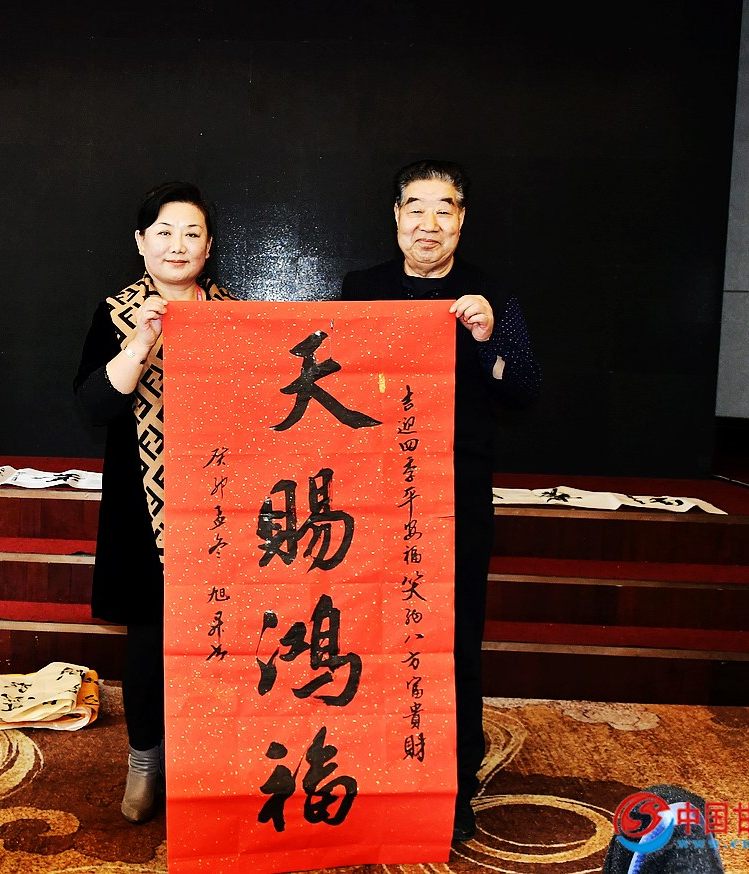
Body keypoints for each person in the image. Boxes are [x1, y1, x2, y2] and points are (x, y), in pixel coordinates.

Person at [340, 159, 540, 843]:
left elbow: (523, 389)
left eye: (444, 209)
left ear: (462, 220)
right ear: (396, 217)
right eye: (416, 208)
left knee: (453, 638)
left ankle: (451, 781)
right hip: (375, 495)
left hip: (457, 494)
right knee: (372, 629)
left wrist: (488, 341)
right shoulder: (361, 289)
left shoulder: (490, 294)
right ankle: (373, 764)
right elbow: (335, 380)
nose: (429, 223)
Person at [74, 181, 237, 824]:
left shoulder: (233, 315)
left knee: (219, 631)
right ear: (141, 242)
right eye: (164, 232)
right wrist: (140, 344)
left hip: (223, 498)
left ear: (209, 247)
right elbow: (93, 405)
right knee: (148, 634)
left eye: (192, 233)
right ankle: (145, 760)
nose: (178, 245)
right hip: (143, 502)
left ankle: (207, 761)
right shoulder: (117, 313)